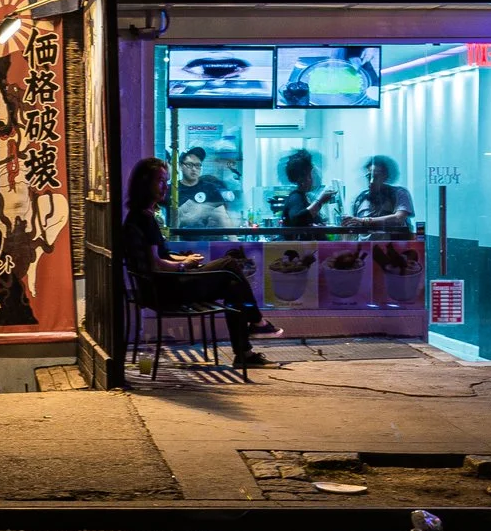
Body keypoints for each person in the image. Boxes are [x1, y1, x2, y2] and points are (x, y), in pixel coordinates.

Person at [120, 156, 274, 368]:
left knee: (232, 286)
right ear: (145, 184)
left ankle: (245, 351)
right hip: (167, 291)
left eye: (166, 181)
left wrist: (185, 259)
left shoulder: (140, 216)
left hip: (162, 287)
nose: (165, 186)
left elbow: (160, 256)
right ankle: (257, 323)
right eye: (160, 181)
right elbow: (156, 264)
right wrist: (183, 265)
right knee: (229, 265)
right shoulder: (144, 220)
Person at [347, 156, 415, 234]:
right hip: (364, 245)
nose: (371, 181)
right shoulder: (360, 199)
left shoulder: (399, 193)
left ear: (385, 176)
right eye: (369, 176)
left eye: (376, 176)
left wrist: (363, 221)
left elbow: (399, 218)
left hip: (393, 245)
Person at [279, 149, 336, 233]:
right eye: (312, 173)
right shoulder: (296, 197)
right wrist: (320, 201)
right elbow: (298, 220)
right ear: (304, 178)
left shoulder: (305, 197)